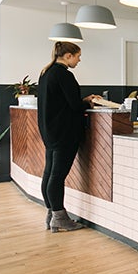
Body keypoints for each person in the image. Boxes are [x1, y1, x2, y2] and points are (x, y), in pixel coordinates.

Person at [37, 41, 100, 233]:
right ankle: (59, 217)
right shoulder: (64, 74)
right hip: (64, 132)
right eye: (78, 56)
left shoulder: (46, 73)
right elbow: (74, 105)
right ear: (68, 56)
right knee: (57, 177)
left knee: (49, 174)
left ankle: (52, 213)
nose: (79, 60)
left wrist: (81, 101)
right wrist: (88, 102)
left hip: (50, 131)